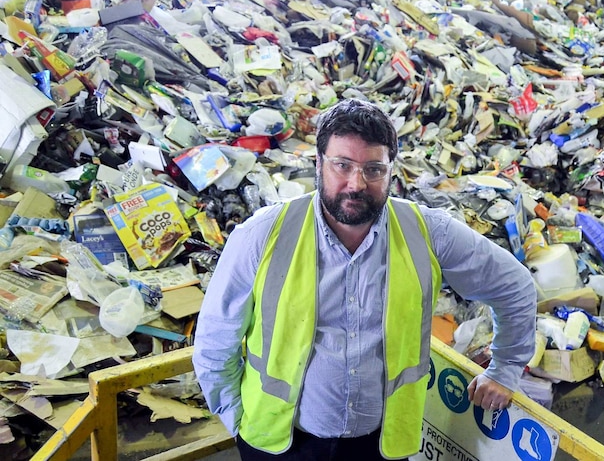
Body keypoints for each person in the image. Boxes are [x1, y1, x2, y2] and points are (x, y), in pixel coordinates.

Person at [193, 99, 537, 460]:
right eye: (342, 165)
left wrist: (506, 369)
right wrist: (237, 422)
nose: (356, 183)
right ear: (318, 163)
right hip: (280, 443)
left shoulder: (428, 234)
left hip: (380, 445)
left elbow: (514, 286)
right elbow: (215, 344)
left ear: (392, 170)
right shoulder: (263, 235)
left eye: (373, 169)